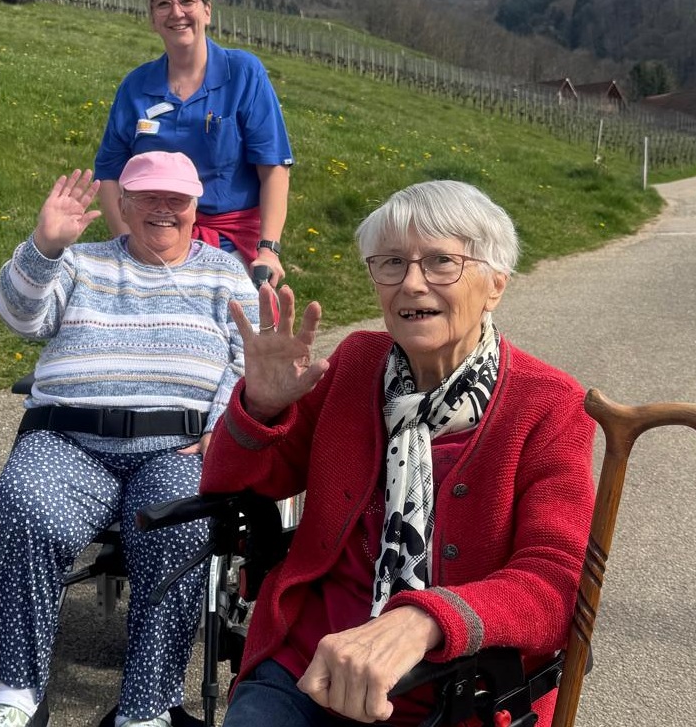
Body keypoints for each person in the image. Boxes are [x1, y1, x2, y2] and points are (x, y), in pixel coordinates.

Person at [201, 179, 597, 726]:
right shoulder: (355, 364)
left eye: (440, 262)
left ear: (496, 284)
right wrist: (260, 410)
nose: (412, 284)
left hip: (463, 695)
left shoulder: (548, 404)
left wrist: (423, 620)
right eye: (391, 263)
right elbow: (236, 486)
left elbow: (555, 585)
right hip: (308, 667)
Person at [0, 151, 260, 727]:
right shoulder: (78, 262)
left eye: (175, 199)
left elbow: (247, 359)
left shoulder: (225, 273)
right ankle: (13, 694)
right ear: (122, 204)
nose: (162, 209)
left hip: (176, 443)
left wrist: (222, 425)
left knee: (180, 526)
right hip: (69, 438)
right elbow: (22, 318)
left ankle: (147, 709)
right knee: (26, 507)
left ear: (195, 208)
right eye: (148, 197)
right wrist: (44, 247)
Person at [94, 0, 294, 285]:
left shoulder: (243, 73)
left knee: (247, 334)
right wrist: (128, 244)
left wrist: (268, 249)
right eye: (163, 4)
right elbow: (109, 174)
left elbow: (273, 167)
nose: (176, 13)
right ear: (152, 17)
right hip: (154, 244)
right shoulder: (135, 87)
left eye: (187, 1)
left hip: (229, 246)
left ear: (207, 9)